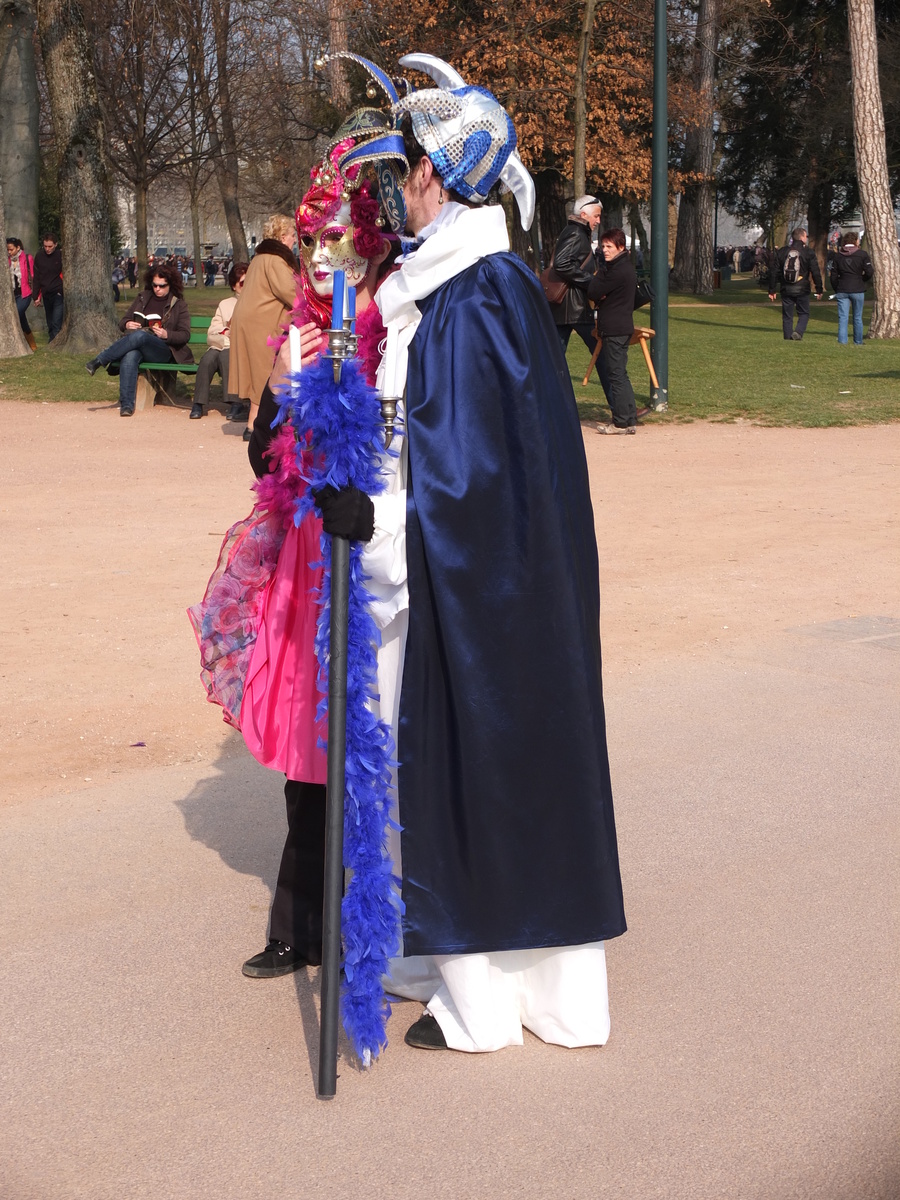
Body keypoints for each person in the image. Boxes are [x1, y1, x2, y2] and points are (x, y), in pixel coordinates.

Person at [363, 54, 626, 1054]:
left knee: (473, 760)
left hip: (473, 589)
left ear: (449, 174)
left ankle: (483, 1006)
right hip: (497, 582)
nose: (403, 187)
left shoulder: (473, 299)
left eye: (415, 168)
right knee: (505, 761)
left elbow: (460, 478)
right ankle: (482, 971)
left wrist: (374, 525)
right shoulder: (470, 285)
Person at [190, 114, 407, 983]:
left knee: (372, 736)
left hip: (377, 556)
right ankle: (301, 920)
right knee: (310, 736)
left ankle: (378, 917)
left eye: (335, 240)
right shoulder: (304, 333)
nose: (321, 258)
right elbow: (263, 457)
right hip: (307, 562)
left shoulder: (399, 324)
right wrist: (284, 404)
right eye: (312, 240)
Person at [85, 263, 193, 416]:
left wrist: (166, 334)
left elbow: (185, 334)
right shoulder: (143, 297)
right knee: (130, 355)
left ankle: (100, 360)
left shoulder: (179, 305)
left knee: (141, 336)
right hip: (140, 345)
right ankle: (127, 405)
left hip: (163, 349)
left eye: (162, 286)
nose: (157, 289)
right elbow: (123, 321)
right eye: (155, 285)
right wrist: (128, 323)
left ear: (171, 284)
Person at [227, 214, 298, 441]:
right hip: (261, 322)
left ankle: (253, 423)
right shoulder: (276, 260)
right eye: (293, 235)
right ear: (283, 236)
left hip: (248, 318)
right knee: (265, 372)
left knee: (258, 372)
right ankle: (255, 426)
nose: (295, 240)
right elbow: (291, 293)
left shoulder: (260, 257)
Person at [547, 196, 606, 385]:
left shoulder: (576, 232)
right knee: (604, 357)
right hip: (575, 308)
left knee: (553, 363)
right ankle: (622, 410)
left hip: (564, 308)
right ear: (583, 214)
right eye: (596, 216)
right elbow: (561, 263)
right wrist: (591, 282)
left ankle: (548, 409)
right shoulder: (575, 232)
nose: (598, 220)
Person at [587, 227, 640, 434]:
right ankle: (629, 418)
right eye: (603, 246)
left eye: (609, 246)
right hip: (621, 326)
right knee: (620, 374)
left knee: (616, 375)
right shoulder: (624, 268)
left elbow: (593, 291)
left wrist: (600, 271)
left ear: (621, 247)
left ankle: (620, 421)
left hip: (615, 327)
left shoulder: (616, 270)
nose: (604, 250)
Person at [189, 261, 248, 419]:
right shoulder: (225, 304)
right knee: (208, 359)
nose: (246, 286)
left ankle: (235, 402)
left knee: (225, 354)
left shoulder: (255, 303)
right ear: (234, 286)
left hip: (243, 349)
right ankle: (198, 403)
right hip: (222, 344)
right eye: (242, 283)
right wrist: (225, 334)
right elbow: (213, 330)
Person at [769, 226, 823, 340]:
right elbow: (815, 272)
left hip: (786, 288)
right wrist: (819, 289)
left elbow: (774, 271)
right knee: (804, 313)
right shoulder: (808, 252)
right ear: (802, 237)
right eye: (806, 236)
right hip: (802, 288)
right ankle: (798, 332)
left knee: (787, 315)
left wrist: (772, 289)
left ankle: (788, 337)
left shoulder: (782, 251)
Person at [830, 232, 873, 346]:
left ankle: (842, 341)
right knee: (857, 317)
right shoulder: (862, 255)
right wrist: (862, 279)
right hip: (857, 288)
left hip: (842, 288)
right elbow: (869, 272)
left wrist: (836, 288)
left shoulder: (838, 256)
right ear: (856, 241)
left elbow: (833, 275)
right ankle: (858, 341)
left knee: (843, 317)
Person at [32, 234, 65, 342]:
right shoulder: (39, 256)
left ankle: (55, 340)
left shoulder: (60, 255)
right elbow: (36, 277)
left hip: (58, 291)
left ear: (55, 244)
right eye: (45, 246)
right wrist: (36, 296)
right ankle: (52, 339)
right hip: (46, 292)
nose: (47, 249)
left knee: (56, 319)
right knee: (50, 319)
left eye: (50, 246)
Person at [7, 237, 36, 350]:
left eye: (11, 249)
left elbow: (33, 276)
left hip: (25, 294)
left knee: (17, 313)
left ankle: (22, 342)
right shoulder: (7, 260)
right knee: (22, 319)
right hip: (12, 295)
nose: (9, 252)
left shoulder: (27, 258)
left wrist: (37, 296)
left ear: (18, 247)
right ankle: (32, 344)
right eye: (7, 250)